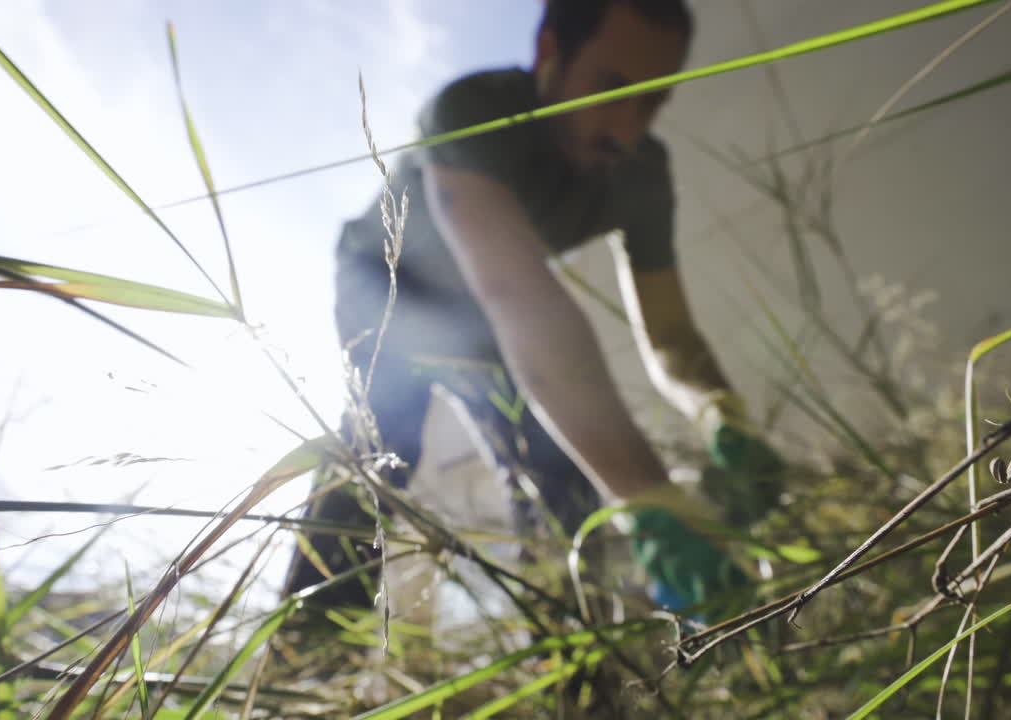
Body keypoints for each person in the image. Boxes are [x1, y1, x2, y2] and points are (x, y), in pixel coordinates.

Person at [286, 0, 782, 613]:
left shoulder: (642, 175)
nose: (627, 129)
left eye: (652, 102)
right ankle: (307, 648)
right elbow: (520, 297)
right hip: (388, 285)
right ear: (550, 51)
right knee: (380, 448)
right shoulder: (475, 108)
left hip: (481, 317)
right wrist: (650, 500)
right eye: (610, 89)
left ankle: (576, 658)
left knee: (560, 481)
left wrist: (721, 414)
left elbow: (670, 332)